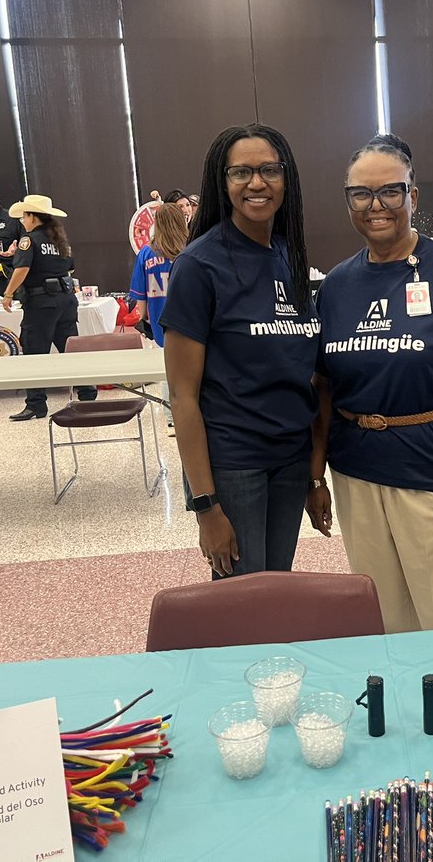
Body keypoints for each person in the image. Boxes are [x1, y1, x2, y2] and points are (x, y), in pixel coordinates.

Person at [310, 134, 433, 632]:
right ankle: (397, 708)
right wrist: (316, 477)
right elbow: (325, 388)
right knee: (384, 619)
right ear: (348, 201)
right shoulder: (336, 286)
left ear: (413, 197)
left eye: (390, 192)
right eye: (361, 194)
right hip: (355, 473)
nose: (377, 206)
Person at [160, 124, 319, 580]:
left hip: (289, 459)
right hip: (234, 465)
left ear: (286, 178)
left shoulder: (290, 256)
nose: (256, 183)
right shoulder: (199, 265)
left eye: (269, 169)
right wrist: (205, 506)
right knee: (241, 603)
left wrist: (311, 475)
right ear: (221, 182)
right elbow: (183, 396)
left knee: (275, 588)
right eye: (241, 172)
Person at [0, 194, 97, 421]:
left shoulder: (28, 240)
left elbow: (22, 270)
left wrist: (8, 294)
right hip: (65, 300)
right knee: (69, 349)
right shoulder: (60, 240)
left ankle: (35, 405)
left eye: (24, 216)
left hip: (41, 303)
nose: (22, 220)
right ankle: (87, 392)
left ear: (33, 217)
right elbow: (68, 269)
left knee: (34, 353)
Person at [129, 201, 189, 432]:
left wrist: (144, 317)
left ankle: (172, 417)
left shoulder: (146, 253)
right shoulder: (191, 250)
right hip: (191, 319)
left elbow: (140, 300)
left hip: (161, 321)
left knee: (168, 371)